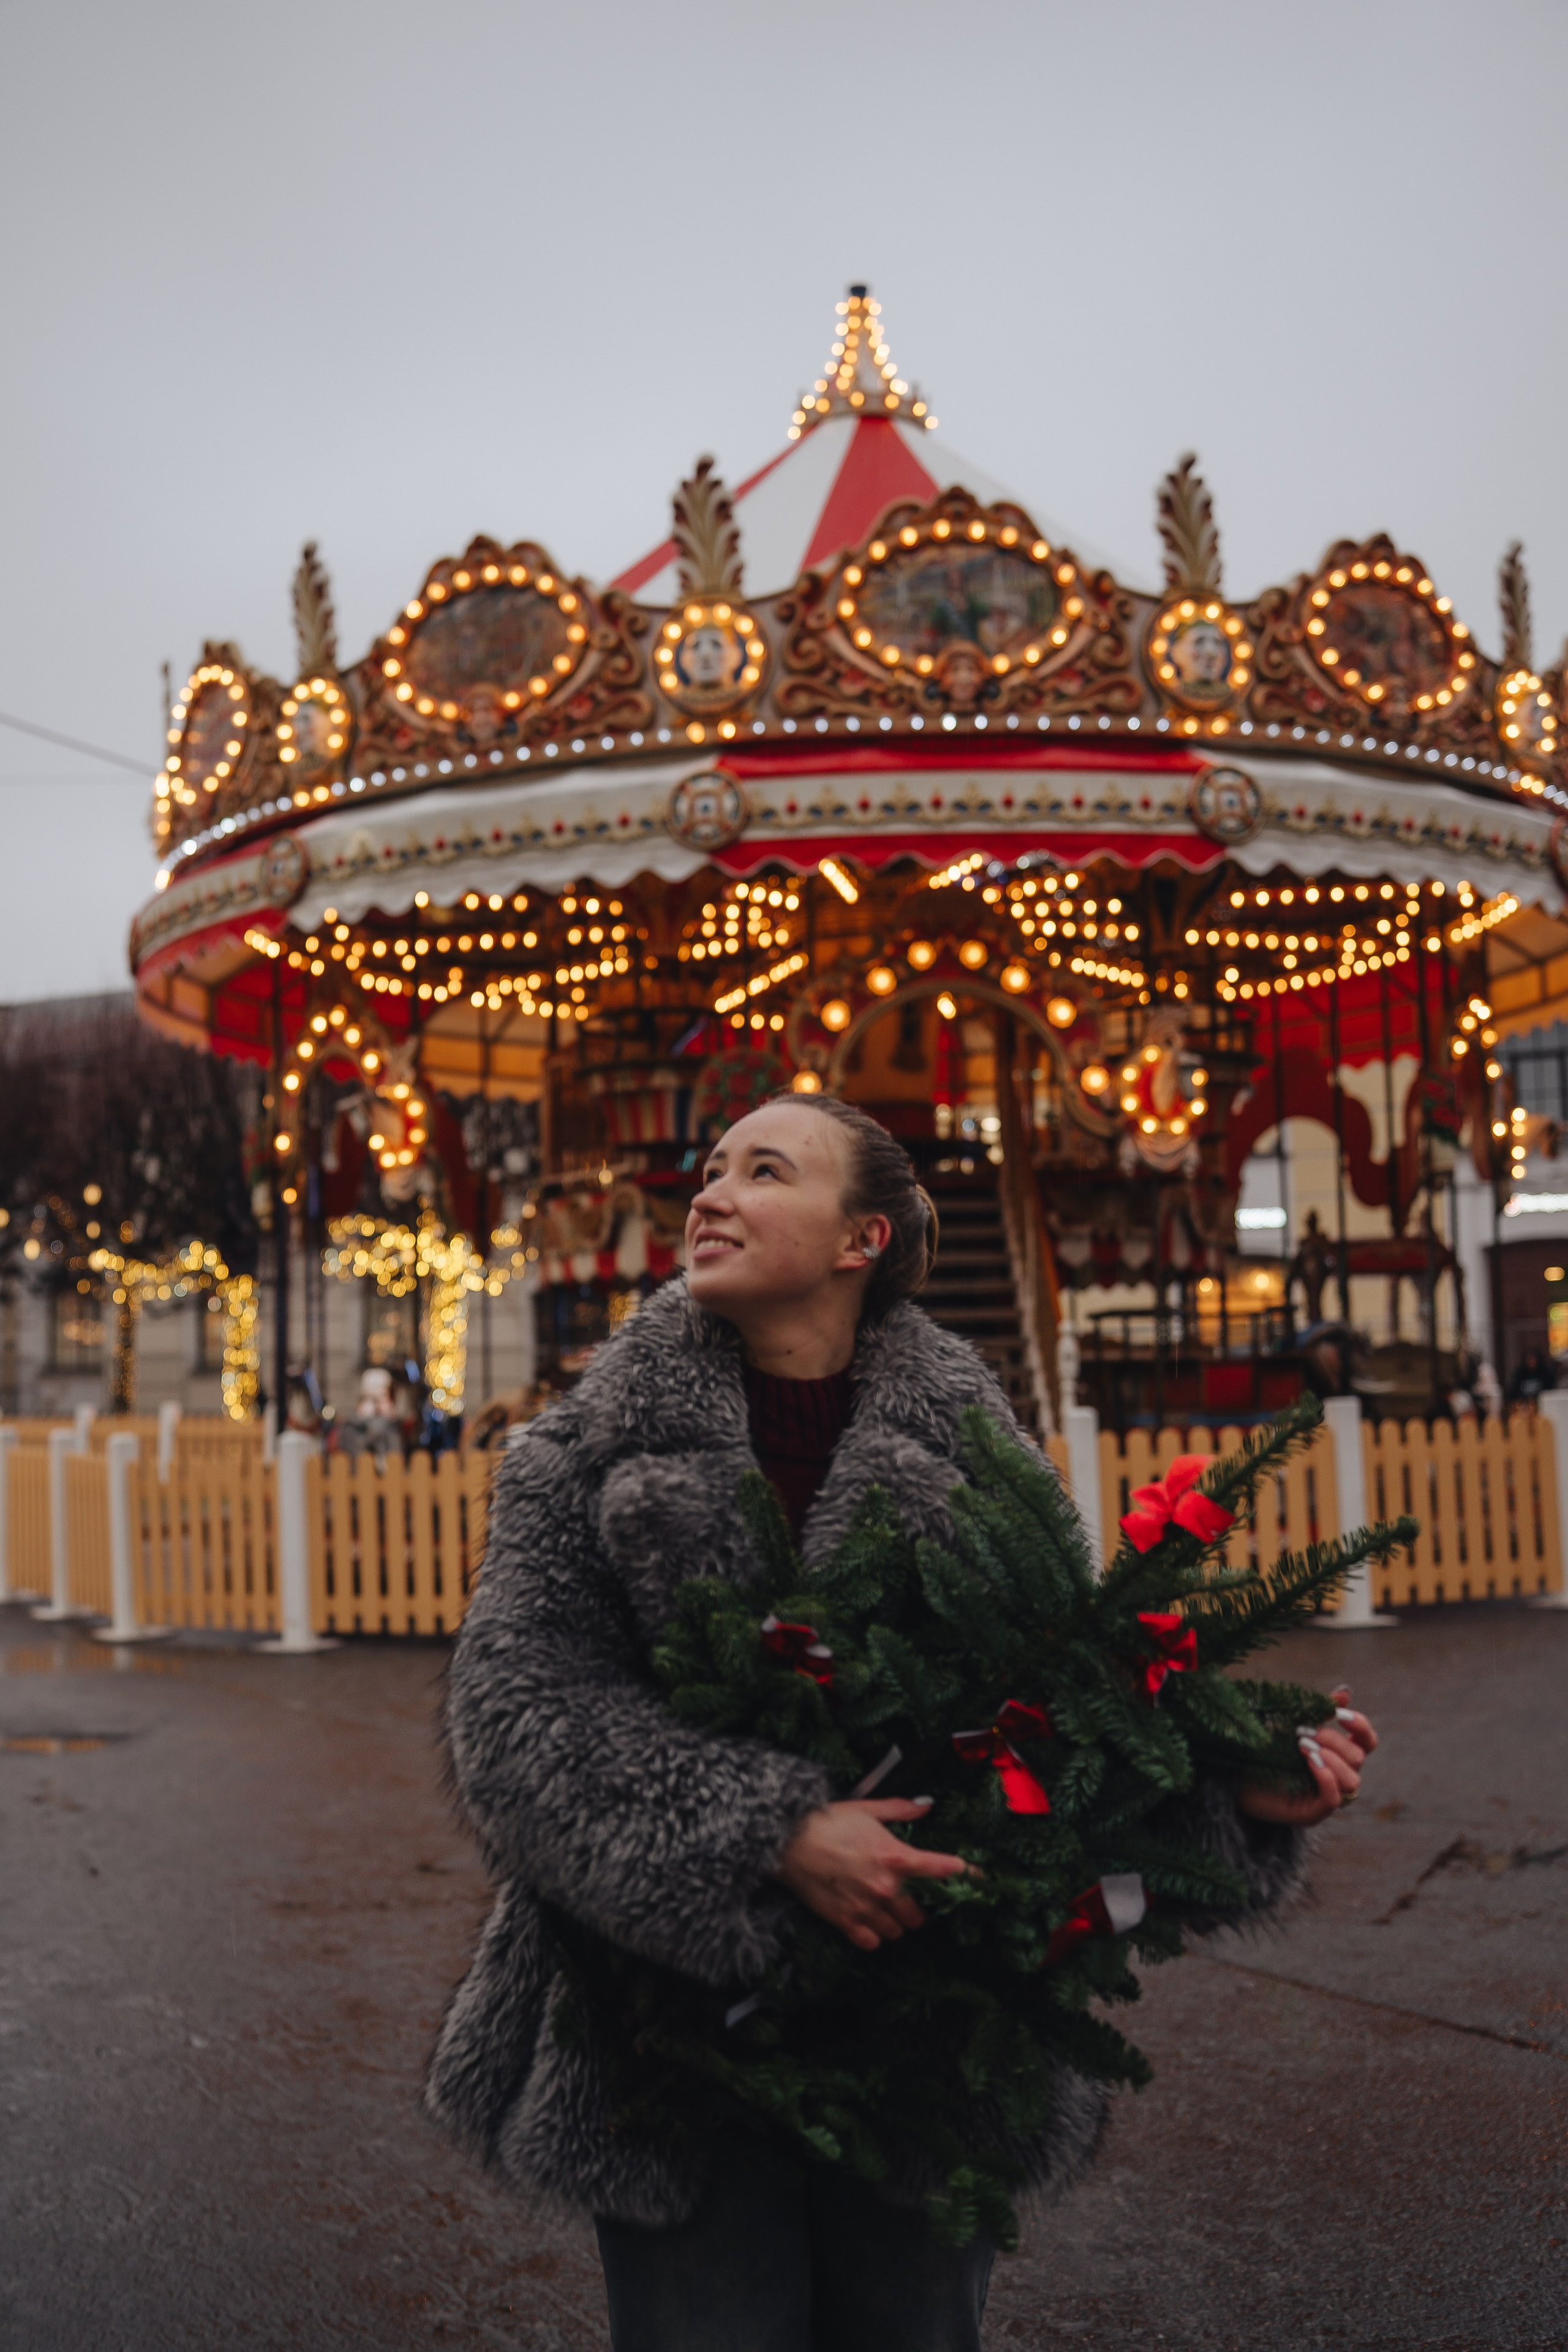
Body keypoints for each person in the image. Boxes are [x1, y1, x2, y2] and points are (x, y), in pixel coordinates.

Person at [427, 1096, 1377, 2351]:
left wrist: (1228, 1804)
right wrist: (769, 1835)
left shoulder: (985, 1469)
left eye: (762, 1172)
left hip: (924, 2029)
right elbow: (517, 1721)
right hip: (669, 2034)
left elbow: (1057, 1716)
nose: (707, 1195)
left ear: (857, 1240)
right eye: (709, 1171)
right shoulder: (578, 1460)